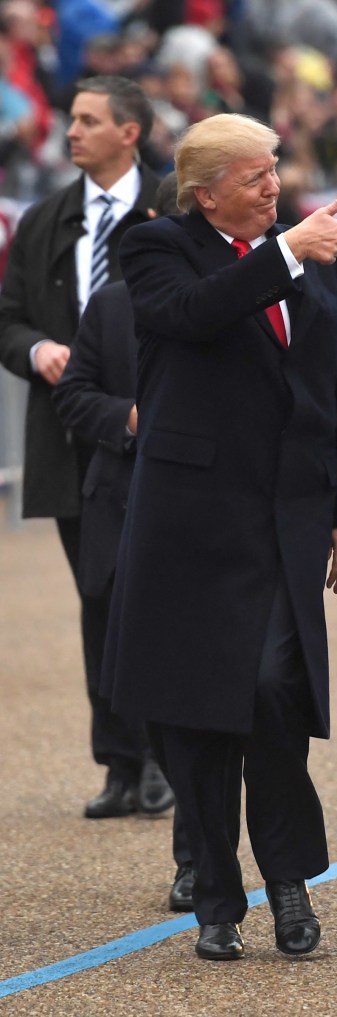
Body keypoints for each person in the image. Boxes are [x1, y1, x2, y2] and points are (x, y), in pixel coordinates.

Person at [102, 113, 337, 962]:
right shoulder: (157, 247)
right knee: (196, 717)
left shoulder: (308, 252)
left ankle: (287, 881)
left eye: (276, 169)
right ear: (204, 188)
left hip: (289, 515)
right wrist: (286, 253)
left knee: (271, 693)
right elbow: (191, 314)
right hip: (191, 521)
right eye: (256, 175)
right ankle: (216, 897)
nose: (274, 186)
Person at [0, 74, 172, 818]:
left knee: (162, 602)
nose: (70, 131)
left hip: (163, 444)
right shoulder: (43, 221)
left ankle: (172, 755)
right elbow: (6, 318)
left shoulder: (173, 210)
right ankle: (121, 761)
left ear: (129, 132)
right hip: (75, 443)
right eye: (70, 119)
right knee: (98, 596)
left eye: (87, 120)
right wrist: (36, 349)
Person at [51, 172, 196, 914]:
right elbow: (72, 392)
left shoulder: (228, 298)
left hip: (195, 505)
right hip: (118, 494)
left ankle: (163, 772)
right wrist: (131, 420)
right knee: (109, 629)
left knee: (178, 648)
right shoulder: (109, 305)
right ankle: (122, 762)